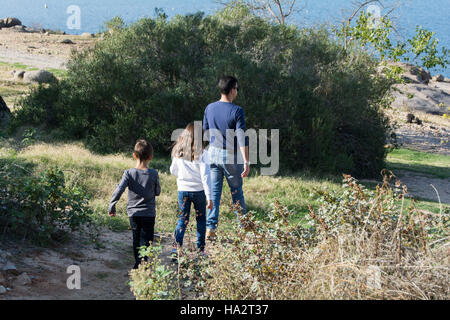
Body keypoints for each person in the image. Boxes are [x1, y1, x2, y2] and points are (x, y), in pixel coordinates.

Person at [203, 75, 250, 240]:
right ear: (232, 90)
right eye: (237, 88)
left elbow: (206, 131)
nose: (237, 91)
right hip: (231, 154)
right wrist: (246, 161)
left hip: (213, 153)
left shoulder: (209, 108)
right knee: (236, 192)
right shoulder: (237, 111)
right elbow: (242, 136)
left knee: (214, 193)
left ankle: (210, 229)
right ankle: (243, 229)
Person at [108, 139, 161, 270]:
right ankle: (144, 265)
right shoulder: (153, 173)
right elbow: (158, 192)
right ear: (151, 157)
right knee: (147, 240)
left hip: (134, 213)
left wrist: (112, 205)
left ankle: (138, 264)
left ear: (134, 155)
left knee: (136, 238)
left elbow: (119, 189)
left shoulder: (128, 173)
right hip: (149, 213)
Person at [170, 123, 213, 258]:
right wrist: (209, 197)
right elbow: (205, 176)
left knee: (182, 220)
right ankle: (200, 250)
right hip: (199, 192)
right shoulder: (203, 154)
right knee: (201, 220)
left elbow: (173, 171)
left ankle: (175, 249)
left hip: (183, 191)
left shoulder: (179, 152)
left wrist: (183, 177)